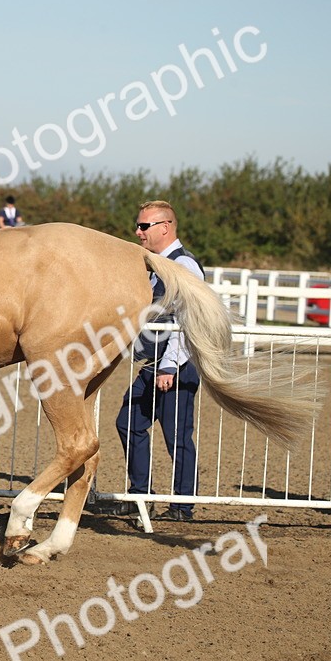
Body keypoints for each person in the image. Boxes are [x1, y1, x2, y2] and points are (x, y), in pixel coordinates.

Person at [113, 200, 204, 521]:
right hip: (153, 365)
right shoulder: (156, 266)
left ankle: (182, 507)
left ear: (165, 228)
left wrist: (169, 365)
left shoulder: (184, 266)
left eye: (144, 226)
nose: (138, 232)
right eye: (137, 226)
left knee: (177, 439)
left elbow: (188, 320)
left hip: (176, 366)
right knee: (128, 423)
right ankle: (141, 495)